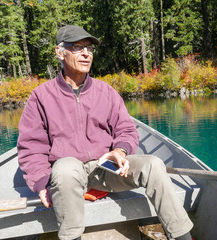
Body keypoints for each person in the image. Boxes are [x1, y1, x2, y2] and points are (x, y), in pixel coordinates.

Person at [17, 25, 193, 240]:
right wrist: (42, 182)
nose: (86, 54)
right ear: (59, 52)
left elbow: (126, 129)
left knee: (153, 164)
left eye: (89, 49)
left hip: (104, 168)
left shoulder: (106, 92)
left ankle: (182, 235)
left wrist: (120, 150)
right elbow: (31, 147)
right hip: (68, 173)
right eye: (77, 47)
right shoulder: (41, 96)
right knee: (64, 168)